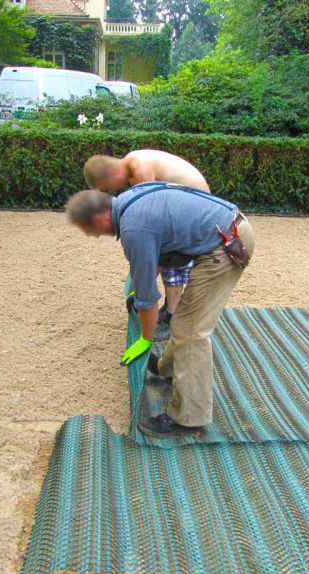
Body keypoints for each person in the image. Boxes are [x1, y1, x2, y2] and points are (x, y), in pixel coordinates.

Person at [65, 184, 255, 438]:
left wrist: (145, 340)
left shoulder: (134, 228)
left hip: (228, 245)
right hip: (228, 229)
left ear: (99, 217)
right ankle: (168, 368)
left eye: (90, 230)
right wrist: (139, 293)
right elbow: (149, 266)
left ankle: (189, 418)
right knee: (186, 319)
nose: (95, 236)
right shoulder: (129, 201)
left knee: (191, 330)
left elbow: (148, 301)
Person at [83, 151, 212, 326]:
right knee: (161, 251)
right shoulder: (133, 159)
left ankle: (172, 317)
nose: (114, 190)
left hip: (196, 210)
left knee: (170, 254)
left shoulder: (141, 172)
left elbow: (150, 233)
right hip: (192, 204)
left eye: (108, 186)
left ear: (111, 175)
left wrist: (140, 291)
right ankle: (169, 309)